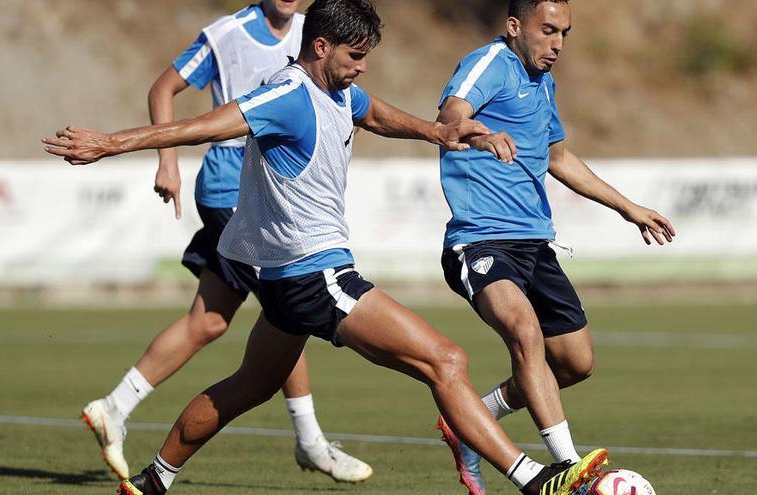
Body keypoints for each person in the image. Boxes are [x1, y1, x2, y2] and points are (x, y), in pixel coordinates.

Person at [44, 2, 611, 495]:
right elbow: (202, 125)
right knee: (448, 360)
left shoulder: (340, 89)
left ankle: (152, 480)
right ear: (322, 46)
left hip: (283, 283)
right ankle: (537, 479)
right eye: (355, 55)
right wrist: (112, 143)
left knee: (248, 386)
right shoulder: (286, 95)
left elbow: (378, 113)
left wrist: (437, 133)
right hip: (314, 276)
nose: (362, 67)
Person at [78, 0, 372, 484]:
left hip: (274, 191)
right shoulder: (227, 33)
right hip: (231, 190)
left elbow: (358, 104)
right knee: (290, 304)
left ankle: (114, 406)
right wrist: (166, 162)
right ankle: (311, 441)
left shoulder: (315, 34)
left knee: (208, 320)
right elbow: (164, 88)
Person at [432, 1, 676, 493]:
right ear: (515, 26)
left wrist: (628, 207)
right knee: (524, 331)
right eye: (548, 30)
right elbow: (450, 114)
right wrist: (477, 133)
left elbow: (559, 157)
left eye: (564, 32)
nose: (558, 43)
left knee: (574, 362)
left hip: (534, 244)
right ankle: (567, 468)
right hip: (479, 239)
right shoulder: (489, 64)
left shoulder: (544, 83)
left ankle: (470, 421)